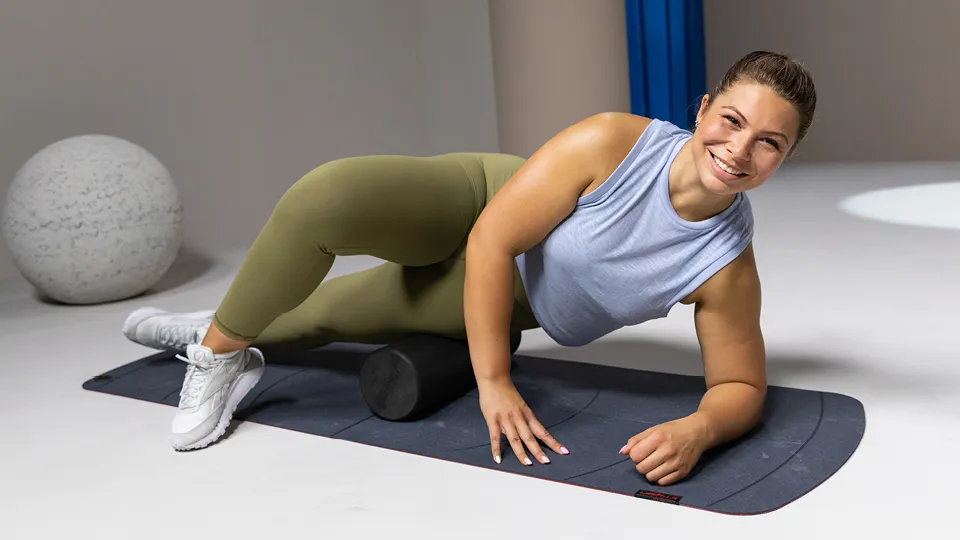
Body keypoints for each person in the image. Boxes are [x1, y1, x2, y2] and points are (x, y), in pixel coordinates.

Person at [122, 50, 815, 486]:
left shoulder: (724, 266)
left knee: (318, 320)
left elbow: (738, 384)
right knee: (325, 198)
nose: (738, 148)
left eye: (768, 143)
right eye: (729, 120)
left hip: (508, 298)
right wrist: (493, 381)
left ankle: (213, 331)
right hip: (484, 203)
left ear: (783, 159)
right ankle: (216, 352)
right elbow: (491, 239)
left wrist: (698, 430)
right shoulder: (615, 140)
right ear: (702, 110)